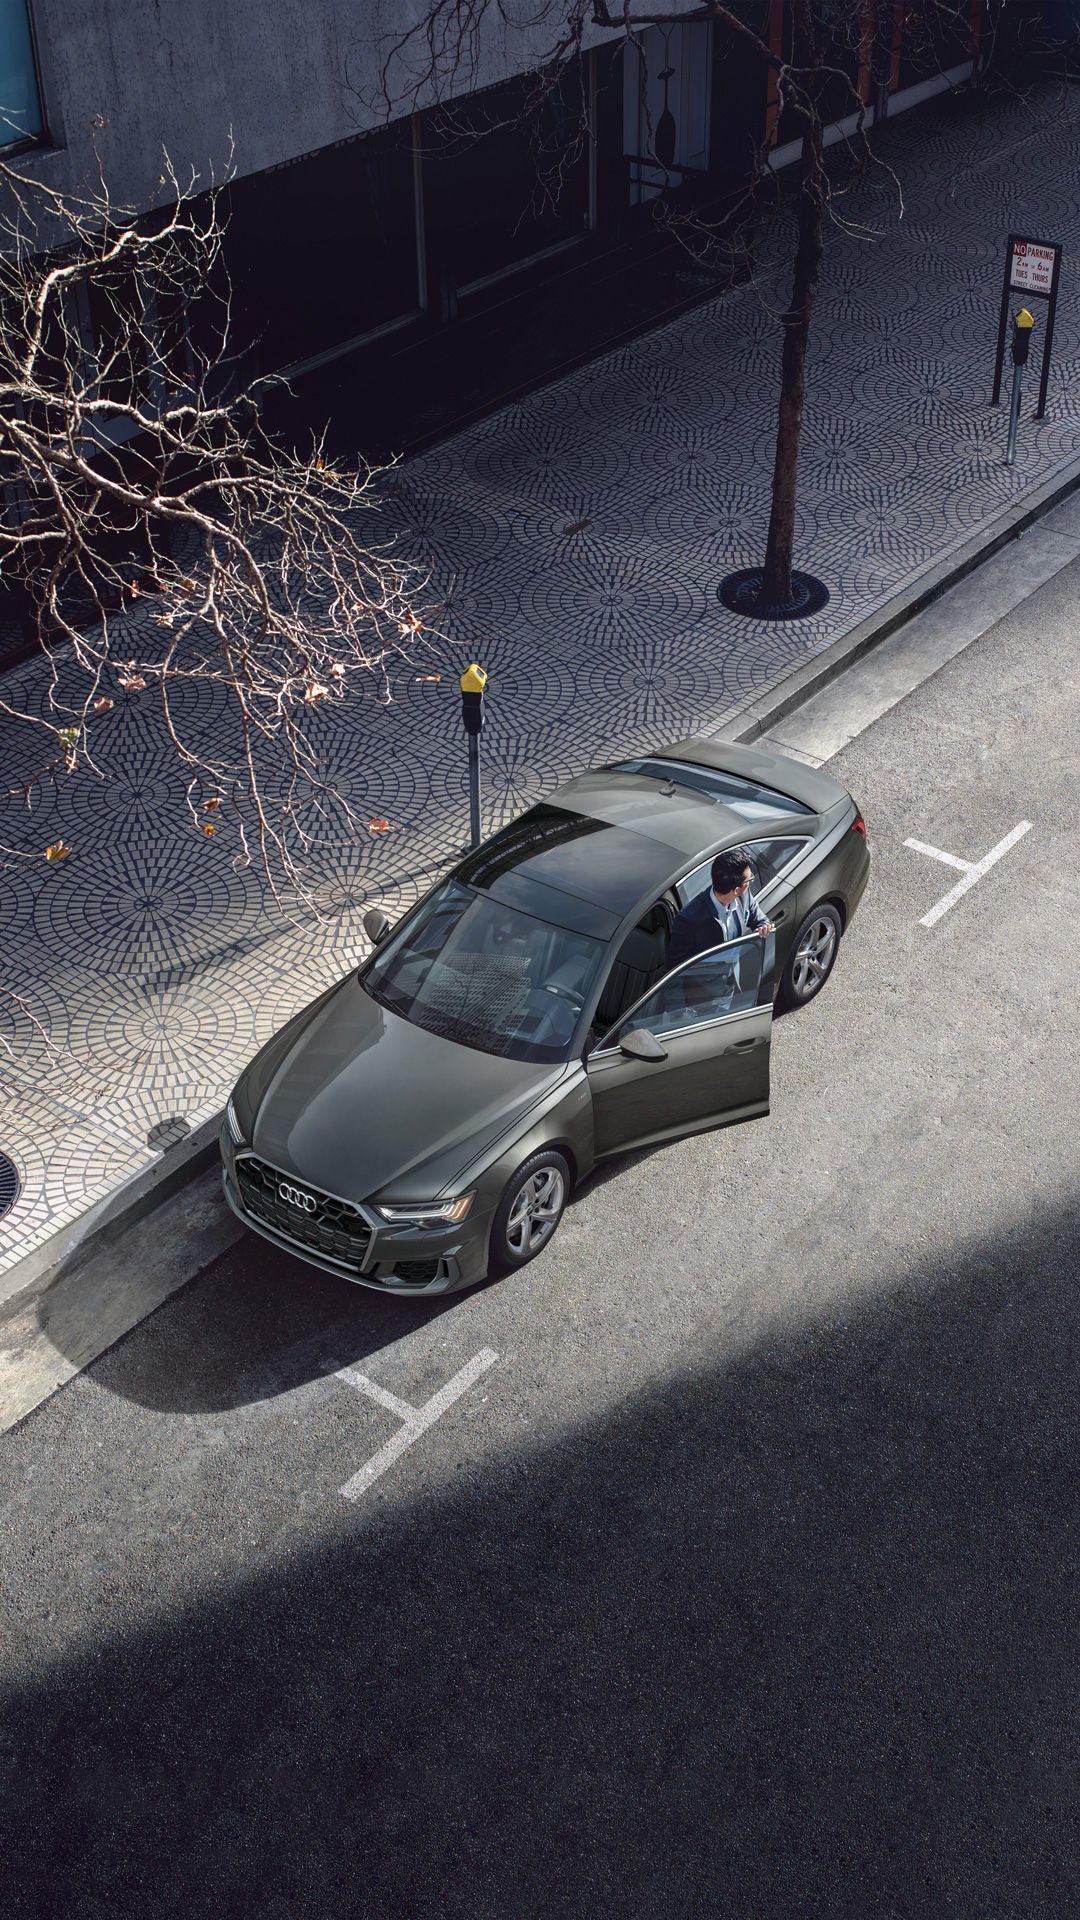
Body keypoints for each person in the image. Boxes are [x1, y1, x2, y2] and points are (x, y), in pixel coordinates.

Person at [668, 847, 775, 971]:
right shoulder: (688, 920)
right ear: (736, 890)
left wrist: (763, 926)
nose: (751, 882)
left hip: (735, 977)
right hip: (706, 986)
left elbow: (759, 919)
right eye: (749, 880)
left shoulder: (744, 895)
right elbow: (675, 968)